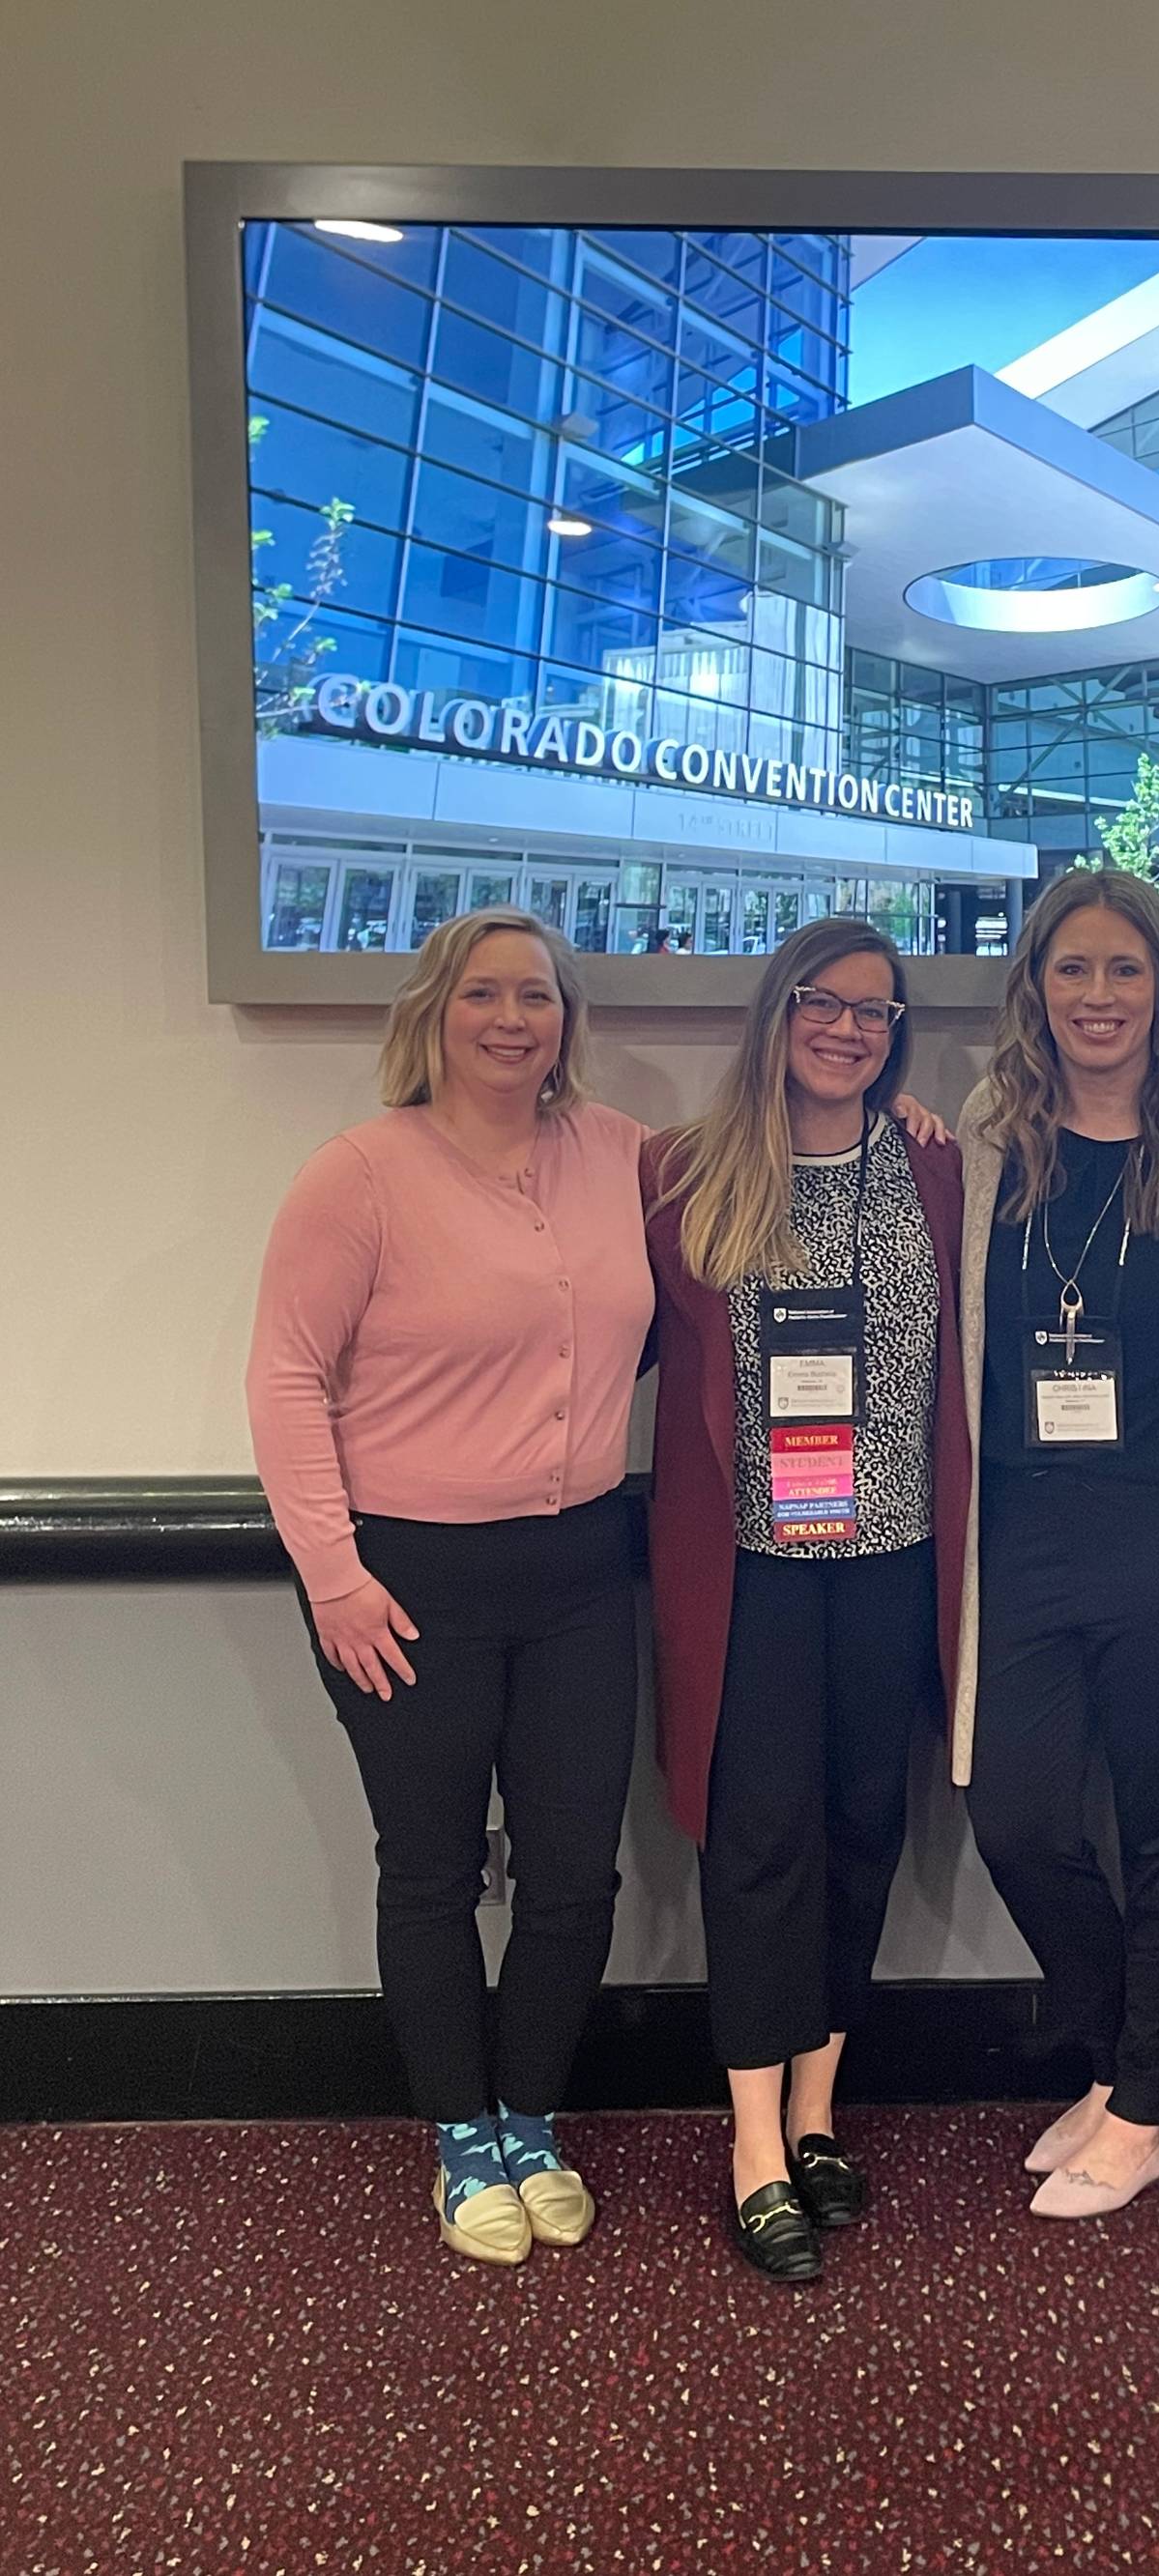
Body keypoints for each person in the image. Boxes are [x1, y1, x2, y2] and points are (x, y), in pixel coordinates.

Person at [246, 907, 654, 2269]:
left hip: (582, 1568)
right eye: (482, 993)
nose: (511, 1019)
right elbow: (286, 1378)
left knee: (574, 1874)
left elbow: (758, 1176)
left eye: (536, 995)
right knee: (430, 1870)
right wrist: (333, 1577)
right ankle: (460, 2139)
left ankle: (530, 2119)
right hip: (405, 1579)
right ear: (433, 1011)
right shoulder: (359, 1174)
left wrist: (904, 1118)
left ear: (566, 1020)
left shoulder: (623, 1155)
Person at [952, 870, 1159, 2218]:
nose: (1098, 996)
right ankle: (1117, 2054)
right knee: (1016, 1815)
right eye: (1072, 969)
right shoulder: (989, 1134)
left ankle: (1144, 2105)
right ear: (1035, 985)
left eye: (1125, 969)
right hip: (1025, 1535)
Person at [642, 919, 970, 2284]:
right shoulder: (681, 1174)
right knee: (756, 1843)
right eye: (822, 1003)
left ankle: (820, 2113)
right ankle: (754, 2145)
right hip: (753, 1571)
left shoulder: (935, 1166)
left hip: (892, 1559)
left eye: (875, 1011)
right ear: (775, 1012)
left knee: (860, 1830)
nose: (847, 1029)